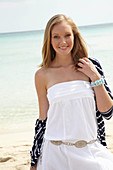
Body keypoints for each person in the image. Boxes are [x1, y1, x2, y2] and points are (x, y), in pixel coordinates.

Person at [30, 14, 113, 170]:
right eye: (56, 37)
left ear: (75, 36)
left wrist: (95, 76)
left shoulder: (91, 66)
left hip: (89, 149)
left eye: (67, 35)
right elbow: (43, 119)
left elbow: (107, 112)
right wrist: (34, 159)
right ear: (49, 40)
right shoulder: (42, 75)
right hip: (54, 153)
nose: (63, 42)